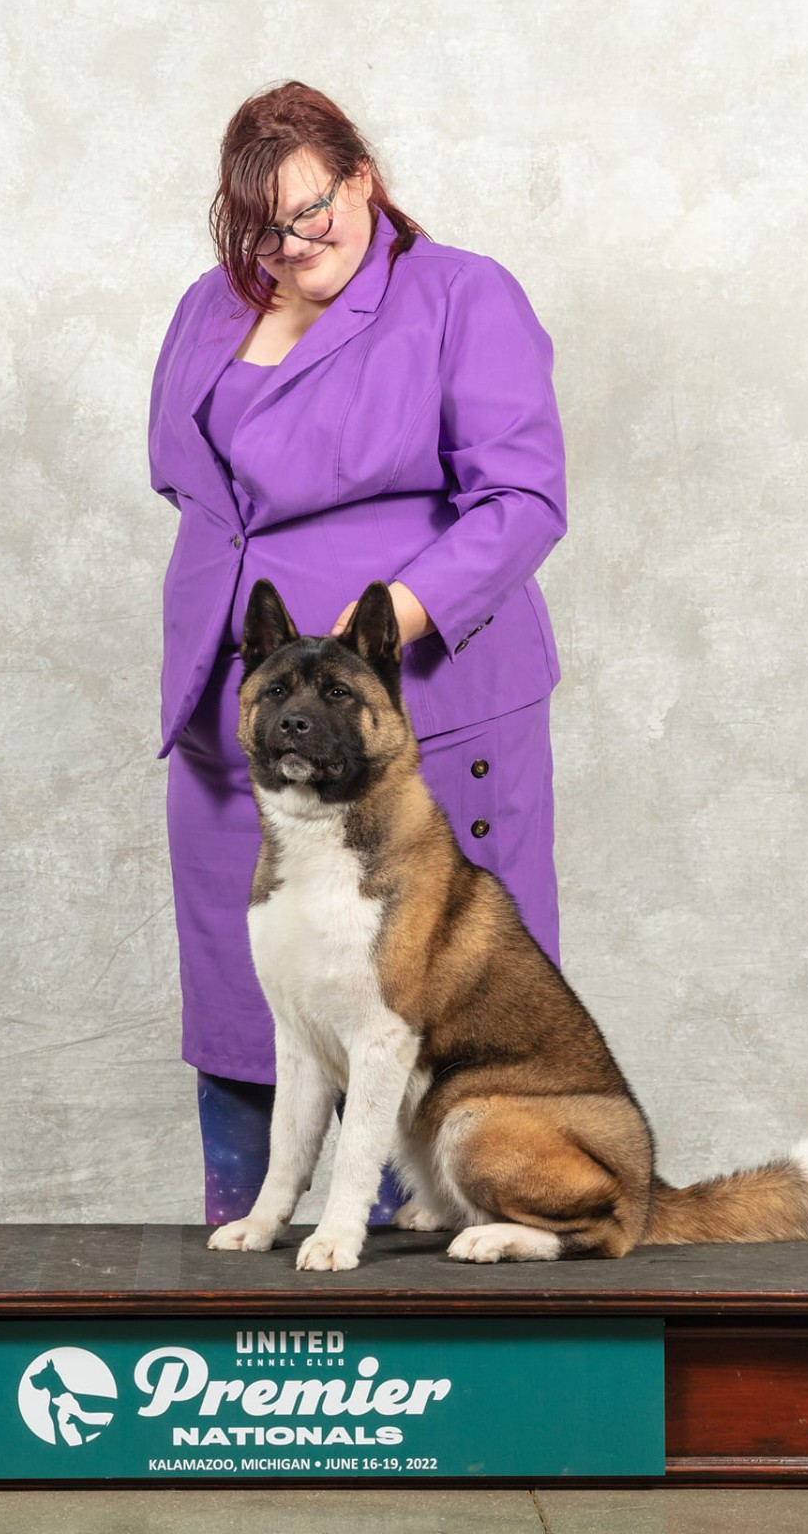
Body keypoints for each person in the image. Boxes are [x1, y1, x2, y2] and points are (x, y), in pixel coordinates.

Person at [147, 81, 569, 1227]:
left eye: (310, 212)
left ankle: (410, 1279)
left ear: (363, 178)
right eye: (260, 230)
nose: (290, 247)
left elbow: (523, 499)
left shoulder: (463, 296)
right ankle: (251, 1258)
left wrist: (385, 613)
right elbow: (194, 487)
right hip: (240, 716)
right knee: (251, 1000)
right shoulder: (208, 307)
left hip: (409, 717)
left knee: (419, 1004)